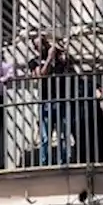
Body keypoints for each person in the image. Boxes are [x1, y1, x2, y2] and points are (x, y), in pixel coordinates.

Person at [28, 37, 77, 166]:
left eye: (44, 44)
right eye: (39, 45)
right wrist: (49, 59)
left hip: (61, 99)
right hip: (46, 101)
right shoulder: (34, 61)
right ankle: (45, 161)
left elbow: (71, 64)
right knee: (45, 136)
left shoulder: (59, 60)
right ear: (35, 48)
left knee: (63, 133)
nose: (43, 47)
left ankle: (64, 160)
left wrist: (61, 50)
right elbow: (41, 74)